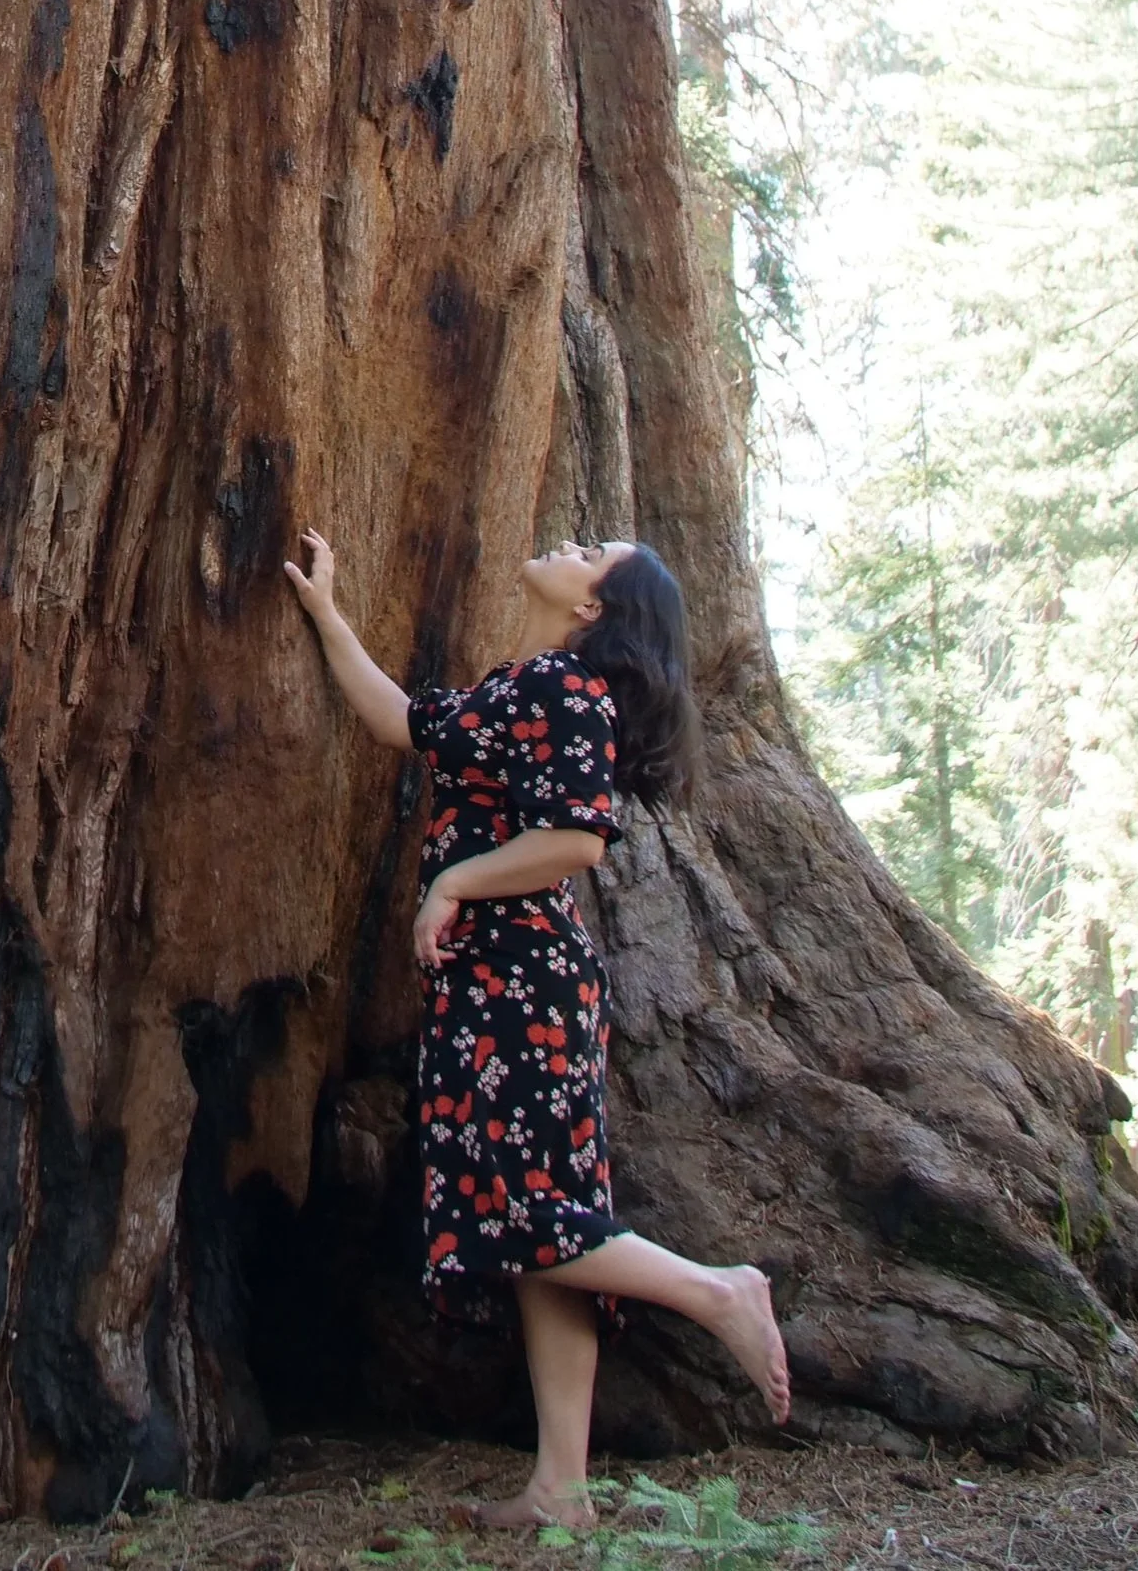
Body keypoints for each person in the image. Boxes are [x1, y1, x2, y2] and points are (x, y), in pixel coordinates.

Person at [285, 528, 789, 1532]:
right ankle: (562, 1488)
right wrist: (326, 608)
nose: (574, 538)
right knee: (542, 1227)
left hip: (520, 981)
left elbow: (575, 836)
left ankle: (718, 1289)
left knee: (527, 1212)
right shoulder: (521, 685)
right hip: (504, 980)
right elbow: (400, 719)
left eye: (595, 549)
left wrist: (453, 881)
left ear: (593, 605)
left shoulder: (563, 690)